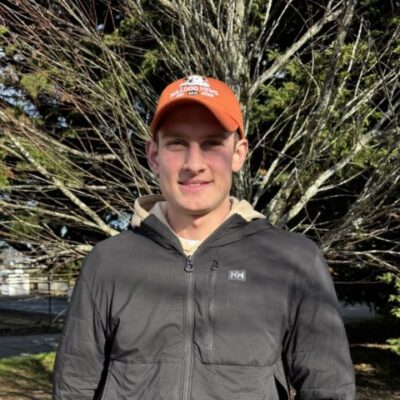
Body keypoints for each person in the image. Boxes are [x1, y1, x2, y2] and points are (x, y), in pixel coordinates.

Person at [53, 75, 356, 400]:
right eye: (177, 143)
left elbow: (328, 390)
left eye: (212, 143)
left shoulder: (293, 261)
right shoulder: (108, 263)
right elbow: (73, 388)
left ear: (238, 154)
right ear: (154, 156)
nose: (194, 164)